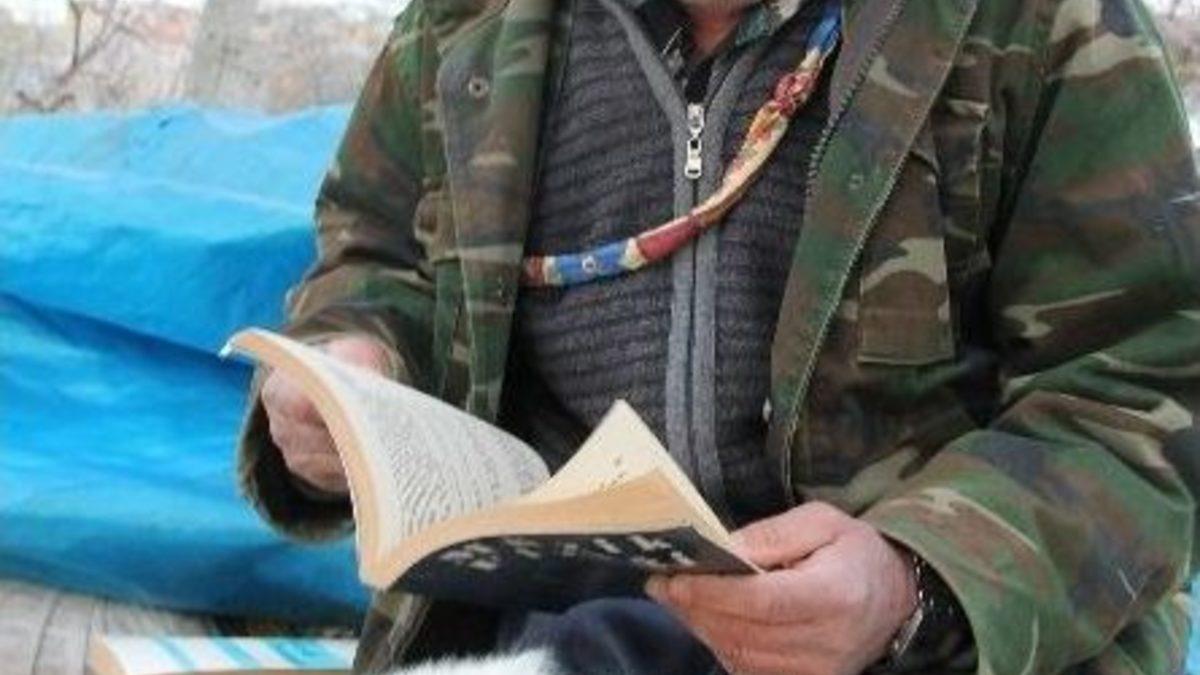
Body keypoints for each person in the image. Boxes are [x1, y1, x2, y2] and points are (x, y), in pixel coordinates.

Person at [236, 0, 1200, 671]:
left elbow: (1142, 393)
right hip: (547, 637)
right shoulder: (468, 27)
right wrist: (352, 364)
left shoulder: (1032, 25)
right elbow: (376, 255)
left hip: (925, 647)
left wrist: (911, 577)